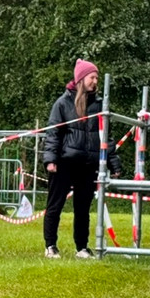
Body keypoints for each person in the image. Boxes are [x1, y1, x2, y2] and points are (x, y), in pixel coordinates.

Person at [42, 59, 119, 259]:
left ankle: (82, 248)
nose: (95, 81)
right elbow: (53, 133)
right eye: (92, 77)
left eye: (97, 78)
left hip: (88, 164)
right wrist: (51, 160)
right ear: (81, 79)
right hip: (64, 162)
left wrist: (114, 162)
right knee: (55, 205)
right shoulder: (62, 103)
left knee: (83, 209)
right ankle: (50, 245)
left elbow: (106, 136)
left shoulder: (100, 105)